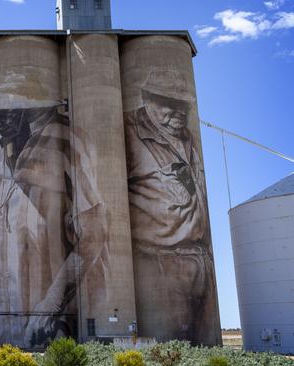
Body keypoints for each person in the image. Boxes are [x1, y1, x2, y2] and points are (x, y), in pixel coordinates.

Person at [0, 103, 107, 349]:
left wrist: (50, 306)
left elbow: (94, 232)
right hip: (11, 325)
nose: (0, 127)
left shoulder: (65, 138)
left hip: (54, 321)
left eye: (7, 115)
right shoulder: (11, 160)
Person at [125, 69, 219, 345]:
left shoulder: (188, 138)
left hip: (202, 261)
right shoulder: (128, 132)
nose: (179, 111)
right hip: (162, 265)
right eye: (169, 103)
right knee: (169, 346)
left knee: (203, 348)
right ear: (147, 99)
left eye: (183, 104)